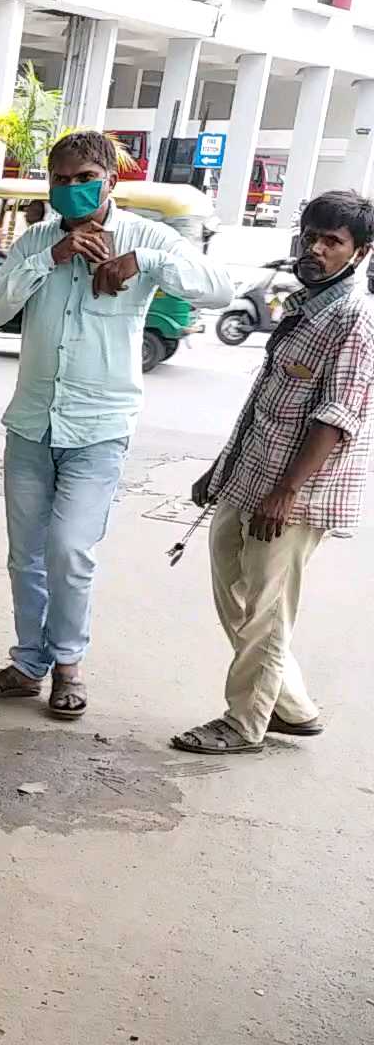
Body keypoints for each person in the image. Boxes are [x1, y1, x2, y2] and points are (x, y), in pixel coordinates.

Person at [0, 131, 230, 719]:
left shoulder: (146, 235)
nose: (73, 188)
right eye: (61, 179)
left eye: (85, 178)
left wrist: (144, 262)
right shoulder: (34, 239)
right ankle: (29, 664)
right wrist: (44, 260)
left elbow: (218, 289)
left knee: (70, 549)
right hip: (31, 423)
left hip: (99, 427)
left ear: (109, 180)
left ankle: (69, 665)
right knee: (24, 554)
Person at [170, 191, 374, 755]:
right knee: (232, 587)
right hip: (250, 475)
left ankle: (244, 722)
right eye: (310, 234)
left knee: (264, 605)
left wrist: (287, 492)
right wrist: (220, 469)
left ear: (359, 253)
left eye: (332, 241)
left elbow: (338, 416)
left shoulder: (354, 319)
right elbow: (265, 400)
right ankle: (292, 707)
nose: (315, 248)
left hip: (296, 493)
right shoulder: (308, 302)